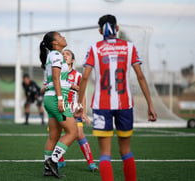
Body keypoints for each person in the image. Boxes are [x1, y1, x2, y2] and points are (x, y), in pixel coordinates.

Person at [74, 14, 157, 181]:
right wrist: (150, 104)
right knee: (126, 150)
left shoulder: (94, 48)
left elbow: (84, 77)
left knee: (105, 153)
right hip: (125, 104)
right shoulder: (129, 47)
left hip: (101, 105)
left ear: (100, 31)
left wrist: (78, 104)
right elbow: (140, 77)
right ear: (117, 28)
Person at [39, 31, 78, 178]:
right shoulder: (56, 55)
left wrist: (71, 86)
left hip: (50, 98)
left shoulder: (53, 55)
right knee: (73, 132)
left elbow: (58, 79)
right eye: (60, 36)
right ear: (54, 43)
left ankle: (48, 169)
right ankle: (52, 161)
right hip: (56, 99)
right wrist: (61, 99)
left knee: (54, 135)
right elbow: (55, 77)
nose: (63, 37)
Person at [55, 49, 98, 172]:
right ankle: (61, 161)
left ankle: (90, 163)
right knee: (56, 134)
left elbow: (82, 94)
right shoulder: (56, 73)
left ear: (72, 60)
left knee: (79, 134)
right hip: (60, 109)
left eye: (67, 54)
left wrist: (83, 111)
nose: (64, 56)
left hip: (73, 110)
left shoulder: (78, 75)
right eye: (63, 54)